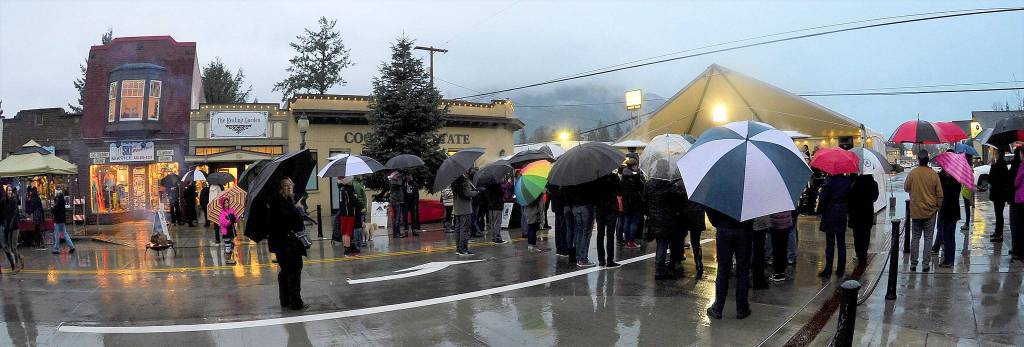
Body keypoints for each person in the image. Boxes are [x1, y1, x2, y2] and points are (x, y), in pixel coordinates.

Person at [267, 177, 308, 310]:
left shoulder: (289, 200)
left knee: (286, 271)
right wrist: (298, 211)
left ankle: (285, 300)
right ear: (280, 188)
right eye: (285, 185)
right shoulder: (278, 203)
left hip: (286, 243)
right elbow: (287, 221)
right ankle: (295, 302)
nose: (289, 187)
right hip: (286, 243)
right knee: (294, 271)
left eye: (290, 184)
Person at [706, 208, 752, 320]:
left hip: (724, 229)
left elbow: (709, 208)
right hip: (743, 229)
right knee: (743, 270)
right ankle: (742, 308)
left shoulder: (719, 190)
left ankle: (718, 307)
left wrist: (717, 222)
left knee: (723, 270)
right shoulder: (749, 191)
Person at [905, 150, 942, 272]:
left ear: (918, 160)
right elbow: (940, 194)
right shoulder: (933, 174)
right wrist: (938, 206)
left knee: (915, 237)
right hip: (930, 212)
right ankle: (926, 264)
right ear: (928, 160)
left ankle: (913, 263)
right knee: (928, 238)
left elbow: (906, 188)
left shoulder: (912, 173)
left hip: (916, 211)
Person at [645, 169, 684, 279]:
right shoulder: (668, 186)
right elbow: (679, 198)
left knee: (660, 244)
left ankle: (660, 267)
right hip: (666, 219)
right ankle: (659, 270)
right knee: (663, 244)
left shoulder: (649, 185)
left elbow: (645, 201)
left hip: (653, 218)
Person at [818, 173, 852, 278]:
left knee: (830, 243)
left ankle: (828, 270)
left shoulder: (829, 180)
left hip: (830, 212)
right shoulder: (847, 180)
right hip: (842, 212)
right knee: (841, 242)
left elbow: (823, 197)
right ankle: (840, 269)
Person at [849, 173, 879, 265]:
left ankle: (858, 253)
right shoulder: (873, 183)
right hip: (868, 212)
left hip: (856, 213)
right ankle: (864, 253)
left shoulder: (855, 183)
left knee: (857, 235)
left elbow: (850, 198)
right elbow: (875, 197)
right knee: (866, 234)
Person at [935, 169, 962, 268]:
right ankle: (951, 259)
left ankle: (948, 260)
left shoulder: (949, 182)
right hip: (954, 212)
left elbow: (945, 196)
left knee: (947, 236)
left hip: (948, 212)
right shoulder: (956, 179)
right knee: (951, 236)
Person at [594, 173, 621, 268]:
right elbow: (619, 192)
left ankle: (601, 260)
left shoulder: (597, 179)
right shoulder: (614, 178)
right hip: (611, 209)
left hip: (600, 209)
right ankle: (610, 260)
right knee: (610, 236)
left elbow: (594, 195)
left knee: (600, 235)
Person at [680, 180, 706, 277]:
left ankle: (677, 258)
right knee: (696, 241)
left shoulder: (682, 184)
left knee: (680, 237)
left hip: (685, 215)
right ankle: (699, 264)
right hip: (697, 214)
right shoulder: (702, 184)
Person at [452, 172, 481, 256]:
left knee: (458, 229)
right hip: (465, 209)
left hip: (457, 209)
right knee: (464, 230)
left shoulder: (454, 181)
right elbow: (468, 193)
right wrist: (476, 192)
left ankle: (458, 249)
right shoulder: (464, 181)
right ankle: (463, 249)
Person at [619, 160, 645, 249]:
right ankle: (631, 242)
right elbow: (642, 187)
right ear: (634, 166)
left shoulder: (623, 176)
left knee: (627, 221)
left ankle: (626, 241)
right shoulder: (635, 176)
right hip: (635, 202)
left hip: (626, 202)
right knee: (634, 222)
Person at [989, 150, 1010, 242]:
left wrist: (992, 166)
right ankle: (997, 232)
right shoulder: (1004, 165)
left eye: (996, 154)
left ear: (999, 155)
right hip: (1001, 194)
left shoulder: (997, 166)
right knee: (999, 214)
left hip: (998, 194)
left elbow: (991, 179)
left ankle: (999, 234)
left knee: (998, 215)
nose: (995, 156)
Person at [1, 188, 23, 273]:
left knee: (13, 247)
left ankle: (16, 265)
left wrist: (11, 224)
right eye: (8, 190)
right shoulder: (4, 201)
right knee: (9, 247)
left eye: (10, 190)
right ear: (6, 192)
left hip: (14, 227)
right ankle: (20, 256)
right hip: (8, 227)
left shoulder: (14, 200)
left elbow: (15, 214)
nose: (9, 192)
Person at [337, 177, 361, 256]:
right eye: (350, 180)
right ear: (347, 181)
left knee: (344, 232)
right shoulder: (348, 190)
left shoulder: (341, 188)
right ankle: (347, 250)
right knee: (348, 232)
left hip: (343, 213)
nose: (352, 181)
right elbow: (351, 202)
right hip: (349, 213)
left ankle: (347, 247)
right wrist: (355, 197)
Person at [769, 211, 795, 281]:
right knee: (783, 249)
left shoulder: (773, 201)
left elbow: (774, 215)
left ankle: (777, 273)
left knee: (776, 250)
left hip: (775, 226)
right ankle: (782, 272)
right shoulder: (787, 201)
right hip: (787, 224)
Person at [484, 175, 508, 244]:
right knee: (497, 222)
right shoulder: (497, 185)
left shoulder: (487, 185)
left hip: (490, 206)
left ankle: (493, 237)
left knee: (492, 223)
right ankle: (497, 238)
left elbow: (486, 195)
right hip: (497, 206)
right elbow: (501, 194)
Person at [521, 187, 546, 253]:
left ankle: (530, 246)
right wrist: (541, 193)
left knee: (531, 228)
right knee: (532, 229)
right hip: (532, 212)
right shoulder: (532, 191)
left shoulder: (524, 190)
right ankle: (532, 246)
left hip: (528, 211)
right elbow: (533, 201)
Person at [51, 188, 74, 254]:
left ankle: (56, 249)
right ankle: (71, 246)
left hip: (58, 220)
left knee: (57, 234)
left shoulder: (58, 201)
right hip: (62, 220)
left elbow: (55, 209)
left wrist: (52, 209)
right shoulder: (62, 200)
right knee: (64, 233)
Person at [750, 215, 770, 289]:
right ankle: (758, 281)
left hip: (750, 226)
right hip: (760, 228)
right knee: (759, 254)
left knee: (750, 253)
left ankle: (749, 278)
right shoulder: (762, 204)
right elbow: (765, 219)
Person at [1013, 148, 1024, 262]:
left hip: (1021, 199)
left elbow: (1017, 182)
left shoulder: (1022, 166)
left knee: (1020, 227)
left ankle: (1020, 253)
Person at [388, 171, 407, 238]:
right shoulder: (393, 182)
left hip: (396, 201)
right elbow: (399, 184)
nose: (398, 176)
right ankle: (397, 233)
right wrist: (401, 178)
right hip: (396, 202)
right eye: (397, 175)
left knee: (396, 218)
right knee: (397, 218)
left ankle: (396, 233)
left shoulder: (393, 181)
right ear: (394, 176)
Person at [352, 176, 368, 248]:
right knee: (359, 226)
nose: (362, 176)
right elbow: (359, 198)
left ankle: (359, 241)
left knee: (359, 225)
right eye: (360, 175)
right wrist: (363, 207)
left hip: (360, 207)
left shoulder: (359, 183)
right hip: (360, 208)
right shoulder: (357, 185)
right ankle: (359, 242)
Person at [961, 153, 974, 231]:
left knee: (967, 208)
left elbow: (964, 179)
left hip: (966, 190)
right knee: (967, 208)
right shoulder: (969, 167)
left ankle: (967, 224)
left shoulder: (966, 168)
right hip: (967, 190)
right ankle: (967, 223)